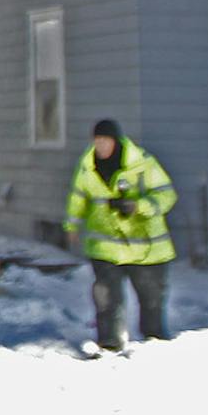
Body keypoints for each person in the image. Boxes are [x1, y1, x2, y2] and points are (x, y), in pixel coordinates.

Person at [64, 119, 178, 350]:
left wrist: (138, 207)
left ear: (116, 141)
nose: (102, 147)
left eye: (106, 141)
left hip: (146, 249)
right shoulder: (88, 167)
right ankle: (109, 344)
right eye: (97, 142)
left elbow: (167, 196)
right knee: (106, 299)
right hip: (105, 247)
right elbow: (78, 197)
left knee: (151, 301)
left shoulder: (144, 164)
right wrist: (72, 226)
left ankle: (155, 343)